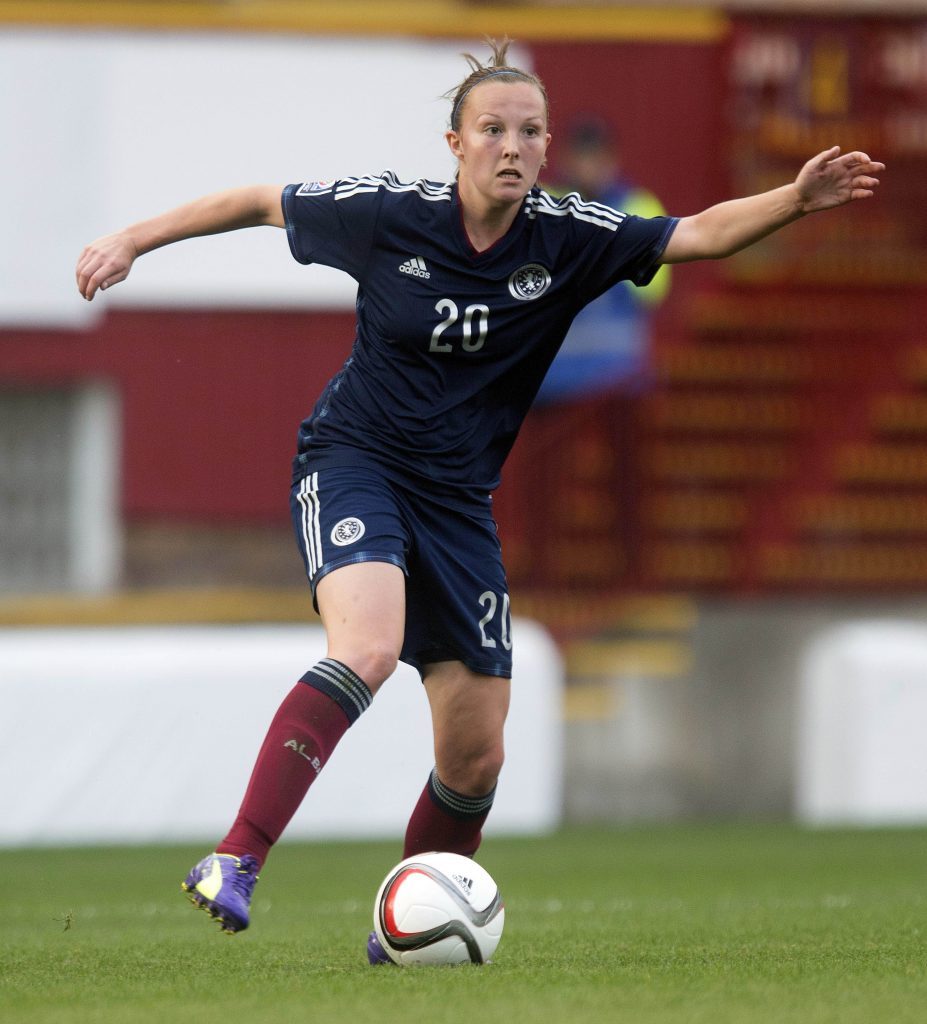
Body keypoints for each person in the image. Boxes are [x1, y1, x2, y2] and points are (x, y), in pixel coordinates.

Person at [75, 38, 883, 961]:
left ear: (544, 150)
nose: (512, 145)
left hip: (458, 502)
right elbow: (259, 201)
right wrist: (132, 238)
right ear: (453, 142)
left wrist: (794, 198)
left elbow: (693, 232)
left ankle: (405, 935)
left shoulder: (572, 236)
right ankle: (235, 859)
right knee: (370, 648)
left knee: (475, 757)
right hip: (356, 460)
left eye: (528, 131)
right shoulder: (388, 215)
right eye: (491, 128)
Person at [536, 115, 671, 401]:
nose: (588, 167)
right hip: (550, 381)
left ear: (613, 159)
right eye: (581, 156)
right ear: (564, 159)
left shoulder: (638, 206)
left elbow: (652, 291)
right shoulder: (542, 205)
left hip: (618, 380)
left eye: (596, 157)